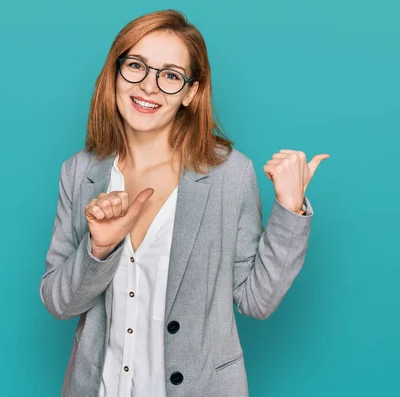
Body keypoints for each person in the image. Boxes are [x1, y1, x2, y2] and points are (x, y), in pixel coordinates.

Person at [40, 9, 329, 397]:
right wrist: (98, 248)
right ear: (114, 74)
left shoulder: (229, 175)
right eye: (136, 66)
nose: (149, 86)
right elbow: (58, 303)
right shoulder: (79, 172)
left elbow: (256, 299)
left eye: (171, 75)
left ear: (191, 92)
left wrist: (290, 209)